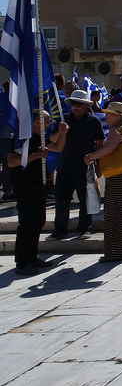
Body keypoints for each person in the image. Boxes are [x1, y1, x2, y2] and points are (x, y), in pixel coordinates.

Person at [84, 102, 122, 262]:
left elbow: (109, 149)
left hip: (120, 177)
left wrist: (90, 157)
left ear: (116, 116)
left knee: (115, 215)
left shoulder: (116, 130)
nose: (106, 118)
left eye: (109, 115)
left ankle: (117, 252)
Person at [10, 111, 67, 275]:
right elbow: (12, 161)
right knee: (27, 223)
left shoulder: (41, 138)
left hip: (38, 184)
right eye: (47, 121)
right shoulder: (21, 138)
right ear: (36, 122)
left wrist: (62, 134)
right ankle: (21, 262)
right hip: (24, 185)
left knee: (38, 221)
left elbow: (57, 147)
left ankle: (32, 256)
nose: (49, 124)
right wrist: (35, 155)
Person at [48, 90, 104, 240]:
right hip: (64, 166)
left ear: (86, 105)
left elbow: (100, 144)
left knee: (85, 200)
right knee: (61, 200)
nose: (76, 107)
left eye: (79, 104)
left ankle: (84, 228)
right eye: (73, 103)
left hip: (84, 167)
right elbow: (51, 140)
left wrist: (98, 166)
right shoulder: (63, 120)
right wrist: (60, 132)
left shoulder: (93, 121)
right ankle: (59, 229)